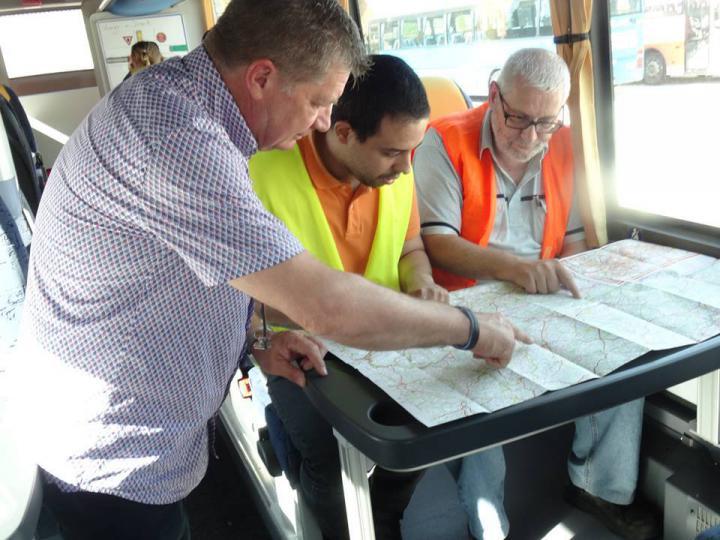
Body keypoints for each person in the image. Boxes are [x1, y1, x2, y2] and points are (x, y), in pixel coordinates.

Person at [10, 1, 528, 539]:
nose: (325, 122)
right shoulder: (177, 136)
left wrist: (255, 339)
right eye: (319, 102)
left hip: (143, 441)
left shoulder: (183, 108)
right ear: (262, 77)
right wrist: (470, 329)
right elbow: (324, 304)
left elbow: (188, 275)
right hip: (113, 461)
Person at [413, 48, 659, 540]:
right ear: (494, 94)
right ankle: (491, 525)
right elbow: (437, 245)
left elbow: (571, 242)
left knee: (627, 357)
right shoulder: (443, 141)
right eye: (517, 118)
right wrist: (516, 269)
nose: (529, 137)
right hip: (470, 298)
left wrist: (588, 282)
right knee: (475, 396)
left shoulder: (565, 144)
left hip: (540, 289)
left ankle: (596, 486)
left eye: (545, 123)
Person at [249, 54, 447, 539]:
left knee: (426, 436)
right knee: (330, 464)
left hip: (383, 338)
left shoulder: (396, 172)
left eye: (412, 151)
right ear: (340, 132)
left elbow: (412, 247)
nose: (405, 167)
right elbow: (241, 299)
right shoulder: (259, 173)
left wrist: (420, 280)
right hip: (300, 346)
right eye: (391, 153)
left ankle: (383, 520)